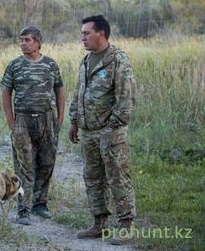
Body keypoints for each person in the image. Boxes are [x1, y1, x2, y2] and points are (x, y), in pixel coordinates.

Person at [69, 15, 136, 245]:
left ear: (102, 33)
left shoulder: (118, 60)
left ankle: (126, 226)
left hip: (110, 133)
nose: (82, 38)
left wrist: (113, 125)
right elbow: (79, 92)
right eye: (82, 34)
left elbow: (125, 97)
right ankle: (99, 223)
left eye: (86, 33)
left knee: (118, 177)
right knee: (93, 177)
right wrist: (74, 121)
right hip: (88, 132)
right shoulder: (87, 61)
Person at [0, 26, 65, 225]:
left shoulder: (50, 65)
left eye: (28, 40)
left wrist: (59, 118)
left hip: (47, 120)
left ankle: (40, 204)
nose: (23, 43)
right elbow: (6, 91)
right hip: (23, 121)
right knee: (24, 165)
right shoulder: (15, 65)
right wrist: (12, 121)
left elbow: (59, 90)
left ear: (38, 42)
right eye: (21, 40)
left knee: (46, 163)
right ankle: (23, 210)